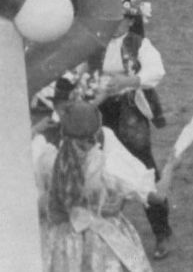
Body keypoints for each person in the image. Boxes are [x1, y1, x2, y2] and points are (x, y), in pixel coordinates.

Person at [33, 101, 175, 269]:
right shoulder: (106, 164)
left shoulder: (46, 159)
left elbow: (37, 205)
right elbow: (157, 196)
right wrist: (172, 163)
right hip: (106, 237)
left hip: (61, 242)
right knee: (133, 261)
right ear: (96, 133)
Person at [93, 15, 173, 259]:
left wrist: (129, 80)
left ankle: (162, 232)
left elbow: (156, 71)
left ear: (129, 21)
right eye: (111, 19)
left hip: (129, 110)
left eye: (120, 20)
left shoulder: (139, 44)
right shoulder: (95, 41)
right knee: (98, 164)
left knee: (144, 165)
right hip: (98, 109)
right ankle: (103, 234)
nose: (114, 24)